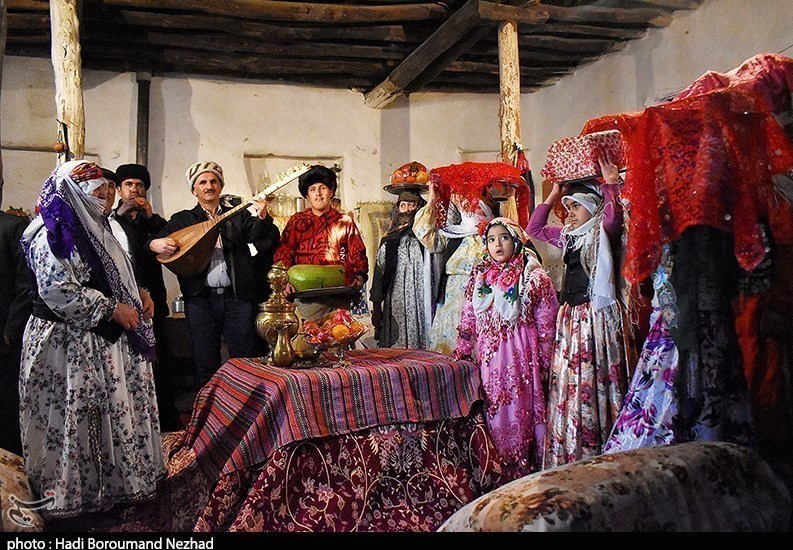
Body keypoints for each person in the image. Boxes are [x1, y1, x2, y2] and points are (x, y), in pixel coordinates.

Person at [19, 160, 165, 518]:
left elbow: (116, 274)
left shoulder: (98, 227)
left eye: (106, 192)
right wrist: (112, 308)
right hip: (68, 344)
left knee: (108, 415)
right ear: (74, 193)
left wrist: (139, 293)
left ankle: (115, 487)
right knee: (75, 419)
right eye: (96, 193)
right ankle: (75, 498)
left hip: (103, 341)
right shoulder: (53, 232)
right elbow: (58, 290)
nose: (104, 198)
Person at [527, 152, 630, 468]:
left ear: (593, 206)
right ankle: (573, 448)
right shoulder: (568, 237)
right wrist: (554, 194)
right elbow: (534, 228)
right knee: (571, 380)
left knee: (592, 378)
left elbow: (612, 217)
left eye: (575, 206)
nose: (569, 213)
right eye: (568, 207)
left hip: (594, 318)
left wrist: (610, 184)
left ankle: (600, 443)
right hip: (571, 319)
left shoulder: (603, 231)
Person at [149, 161, 279, 387]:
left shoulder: (237, 216)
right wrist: (154, 244)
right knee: (205, 363)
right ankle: (209, 409)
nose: (208, 186)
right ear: (194, 190)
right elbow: (155, 242)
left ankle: (244, 406)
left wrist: (262, 216)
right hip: (200, 301)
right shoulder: (183, 220)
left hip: (236, 300)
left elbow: (262, 237)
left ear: (220, 187)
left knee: (244, 361)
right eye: (202, 182)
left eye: (213, 181)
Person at [453, 217, 558, 475]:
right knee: (493, 405)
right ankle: (498, 463)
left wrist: (545, 361)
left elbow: (546, 322)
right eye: (491, 240)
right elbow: (469, 315)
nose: (497, 244)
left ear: (517, 240)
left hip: (521, 355)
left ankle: (523, 463)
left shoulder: (532, 276)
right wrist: (463, 350)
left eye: (504, 237)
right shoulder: (480, 275)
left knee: (519, 406)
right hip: (489, 357)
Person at [413, 162, 525, 356]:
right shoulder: (453, 235)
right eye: (467, 205)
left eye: (477, 206)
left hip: (485, 300)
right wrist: (432, 200)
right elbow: (423, 232)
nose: (471, 210)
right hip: (452, 302)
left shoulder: (496, 237)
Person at [103, 163, 180, 430]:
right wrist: (126, 219)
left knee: (161, 362)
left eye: (139, 185)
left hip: (153, 302)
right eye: (128, 185)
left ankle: (166, 422)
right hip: (123, 305)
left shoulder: (151, 222)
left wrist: (150, 218)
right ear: (119, 190)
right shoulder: (111, 221)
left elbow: (172, 241)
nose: (134, 189)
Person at [273, 165, 368, 320]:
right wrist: (284, 281)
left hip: (338, 296)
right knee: (307, 335)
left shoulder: (345, 222)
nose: (318, 193)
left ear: (331, 192)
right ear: (307, 195)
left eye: (323, 188)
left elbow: (358, 253)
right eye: (312, 189)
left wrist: (360, 276)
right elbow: (283, 252)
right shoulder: (297, 221)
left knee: (339, 334)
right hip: (305, 299)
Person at [369, 191, 429, 349]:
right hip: (395, 302)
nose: (407, 209)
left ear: (419, 208)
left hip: (421, 300)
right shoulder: (389, 239)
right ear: (397, 208)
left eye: (411, 205)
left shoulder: (426, 238)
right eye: (403, 205)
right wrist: (376, 307)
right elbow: (379, 274)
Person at [0, 209, 33, 455]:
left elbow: (27, 283)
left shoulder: (13, 226)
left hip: (6, 335)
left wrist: (13, 327)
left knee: (7, 406)